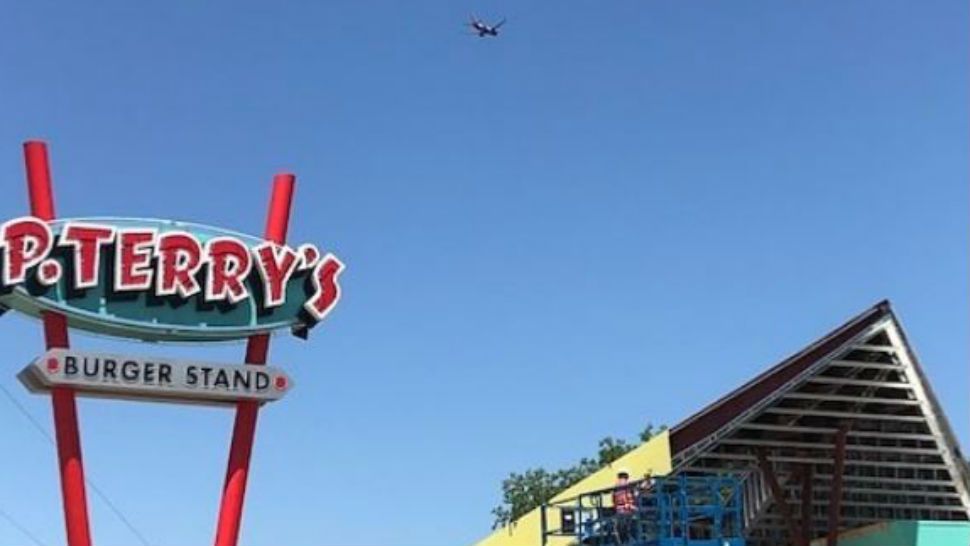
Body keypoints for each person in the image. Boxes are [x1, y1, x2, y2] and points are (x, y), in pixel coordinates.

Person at [612, 469, 637, 544]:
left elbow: (613, 498)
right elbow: (632, 495)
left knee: (619, 529)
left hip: (619, 509)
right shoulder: (627, 483)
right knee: (628, 528)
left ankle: (622, 542)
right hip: (627, 508)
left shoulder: (615, 485)